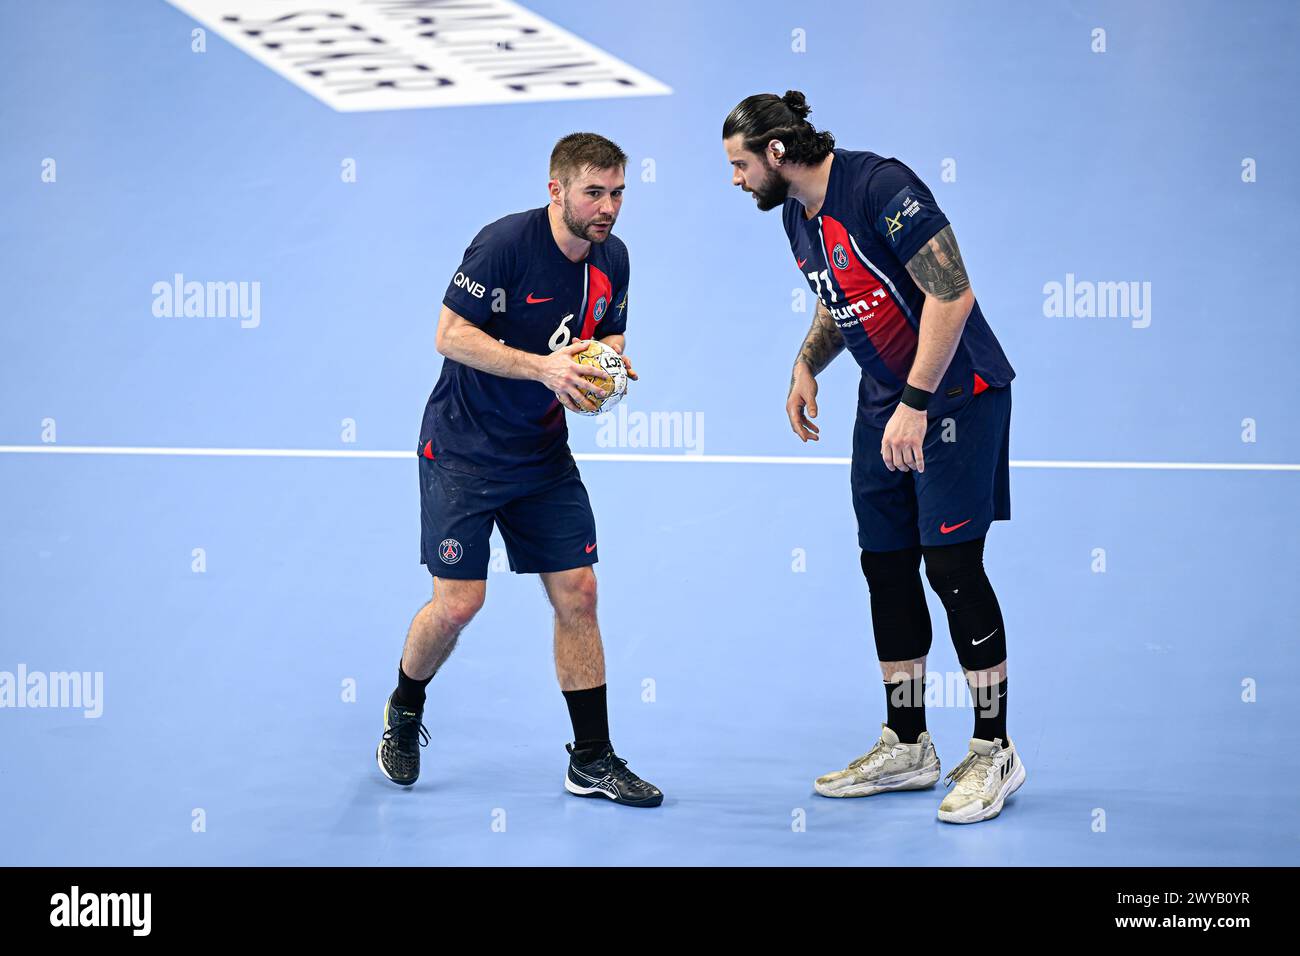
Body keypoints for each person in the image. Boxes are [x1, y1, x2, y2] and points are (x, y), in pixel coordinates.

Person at [723, 91, 1024, 823]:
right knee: (885, 563)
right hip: (885, 395)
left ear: (777, 155)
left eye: (739, 165)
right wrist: (806, 365)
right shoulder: (797, 214)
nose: (734, 181)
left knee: (952, 566)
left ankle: (994, 751)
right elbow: (840, 297)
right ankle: (909, 743)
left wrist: (916, 405)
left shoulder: (882, 188)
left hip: (954, 393)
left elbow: (951, 294)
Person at [376, 132, 663, 809]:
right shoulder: (503, 245)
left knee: (579, 593)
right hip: (463, 452)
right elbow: (449, 334)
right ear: (555, 189)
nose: (608, 208)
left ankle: (590, 758)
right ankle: (405, 708)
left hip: (541, 454)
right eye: (594, 192)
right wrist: (544, 368)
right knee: (458, 605)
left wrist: (606, 369)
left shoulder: (611, 259)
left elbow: (608, 333)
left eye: (618, 192)